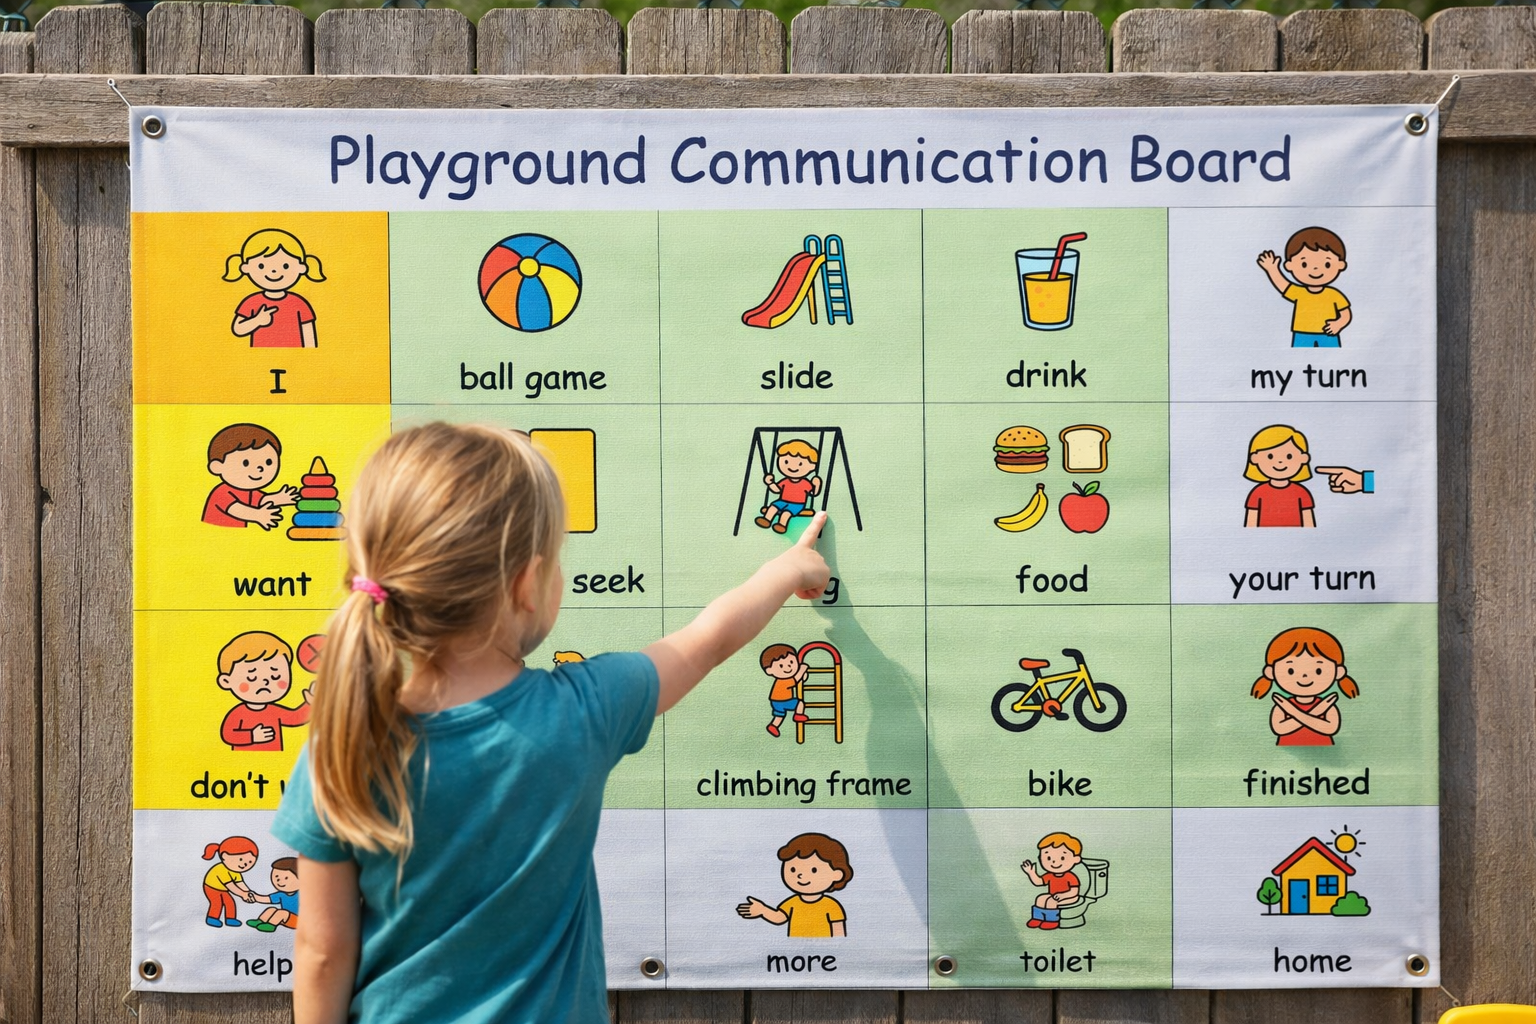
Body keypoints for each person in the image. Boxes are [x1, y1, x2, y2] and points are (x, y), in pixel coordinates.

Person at [272, 423, 829, 1024]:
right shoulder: (584, 710)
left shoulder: (342, 744)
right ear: (525, 586)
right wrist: (787, 570)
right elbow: (707, 641)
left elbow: (322, 952)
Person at [1251, 627, 1360, 746]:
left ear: (1338, 672)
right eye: (1291, 671)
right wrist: (1317, 711)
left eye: (1318, 671)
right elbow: (1279, 729)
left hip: (1324, 749)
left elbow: (1331, 728)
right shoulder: (1323, 705)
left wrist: (1292, 710)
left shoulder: (1286, 705)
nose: (1304, 676)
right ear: (1270, 672)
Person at [736, 832, 852, 938]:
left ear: (837, 875)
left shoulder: (831, 905)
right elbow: (779, 917)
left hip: (825, 949)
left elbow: (839, 932)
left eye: (814, 870)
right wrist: (762, 910)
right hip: (795, 949)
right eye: (793, 869)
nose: (800, 875)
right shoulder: (792, 903)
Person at [224, 228, 325, 348]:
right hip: (260, 355)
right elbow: (238, 329)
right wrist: (257, 321)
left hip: (294, 356)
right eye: (261, 266)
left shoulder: (299, 303)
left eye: (285, 266)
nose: (274, 271)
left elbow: (309, 335)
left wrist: (310, 355)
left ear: (301, 268)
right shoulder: (251, 302)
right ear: (246, 268)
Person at [216, 631, 312, 752]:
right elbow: (228, 734)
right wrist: (252, 736)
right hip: (242, 760)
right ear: (226, 681)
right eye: (252, 677)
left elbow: (295, 717)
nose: (265, 682)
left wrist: (310, 703)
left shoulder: (274, 711)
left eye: (275, 676)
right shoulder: (238, 713)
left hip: (275, 758)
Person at [1256, 227, 1351, 348]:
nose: (1315, 269)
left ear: (1340, 265)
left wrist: (1338, 324)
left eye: (1327, 264)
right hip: (1302, 333)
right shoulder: (1299, 292)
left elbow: (1346, 313)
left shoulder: (1334, 294)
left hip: (1328, 333)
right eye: (1304, 264)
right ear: (1289, 265)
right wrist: (1272, 269)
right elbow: (1283, 285)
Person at [202, 423, 298, 529]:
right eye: (246, 463)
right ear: (217, 467)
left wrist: (278, 498)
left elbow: (261, 500)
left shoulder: (250, 491)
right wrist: (257, 515)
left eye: (268, 462)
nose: (260, 468)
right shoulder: (221, 492)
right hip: (218, 532)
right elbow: (235, 509)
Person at [1244, 425, 1316, 528]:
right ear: (1255, 459)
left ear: (1303, 458)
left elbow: (1309, 522)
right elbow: (1251, 522)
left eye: (1289, 456)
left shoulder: (1301, 492)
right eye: (1270, 456)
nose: (1280, 461)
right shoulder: (1258, 492)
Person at [756, 439, 822, 534]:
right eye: (786, 462)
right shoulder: (785, 481)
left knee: (786, 513)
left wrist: (817, 485)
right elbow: (777, 489)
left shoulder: (805, 483)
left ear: (812, 466)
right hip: (782, 501)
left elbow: (813, 493)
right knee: (773, 507)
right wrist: (770, 483)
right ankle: (766, 520)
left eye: (800, 464)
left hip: (797, 504)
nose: (793, 467)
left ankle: (781, 525)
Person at [1021, 832, 1083, 930]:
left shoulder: (1070, 877)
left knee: (1051, 901)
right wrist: (1031, 872)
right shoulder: (1049, 875)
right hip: (1054, 895)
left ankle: (1051, 921)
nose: (1054, 862)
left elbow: (1074, 892)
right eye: (1048, 858)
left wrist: (1062, 895)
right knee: (1040, 898)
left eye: (1062, 858)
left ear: (1076, 859)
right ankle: (1038, 918)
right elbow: (1038, 882)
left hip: (1070, 897)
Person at [201, 836, 260, 928]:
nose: (244, 864)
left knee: (230, 902)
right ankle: (212, 918)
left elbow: (240, 883)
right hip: (211, 887)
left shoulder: (236, 871)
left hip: (222, 889)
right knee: (217, 902)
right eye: (240, 859)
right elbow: (231, 886)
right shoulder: (221, 870)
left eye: (249, 862)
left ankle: (230, 919)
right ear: (224, 856)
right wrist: (242, 894)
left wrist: (248, 892)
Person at [759, 643, 809, 737]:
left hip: (775, 702)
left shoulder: (782, 680)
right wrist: (802, 668)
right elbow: (796, 679)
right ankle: (798, 715)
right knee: (799, 703)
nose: (788, 667)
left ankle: (773, 726)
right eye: (781, 666)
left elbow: (798, 679)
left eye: (791, 662)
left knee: (779, 715)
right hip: (784, 701)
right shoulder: (783, 681)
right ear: (769, 670)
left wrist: (803, 675)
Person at [250, 857, 302, 932]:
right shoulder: (281, 894)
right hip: (285, 919)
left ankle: (271, 925)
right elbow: (267, 899)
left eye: (286, 878)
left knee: (282, 913)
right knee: (271, 909)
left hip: (298, 921)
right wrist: (254, 897)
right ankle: (260, 921)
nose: (280, 881)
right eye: (277, 877)